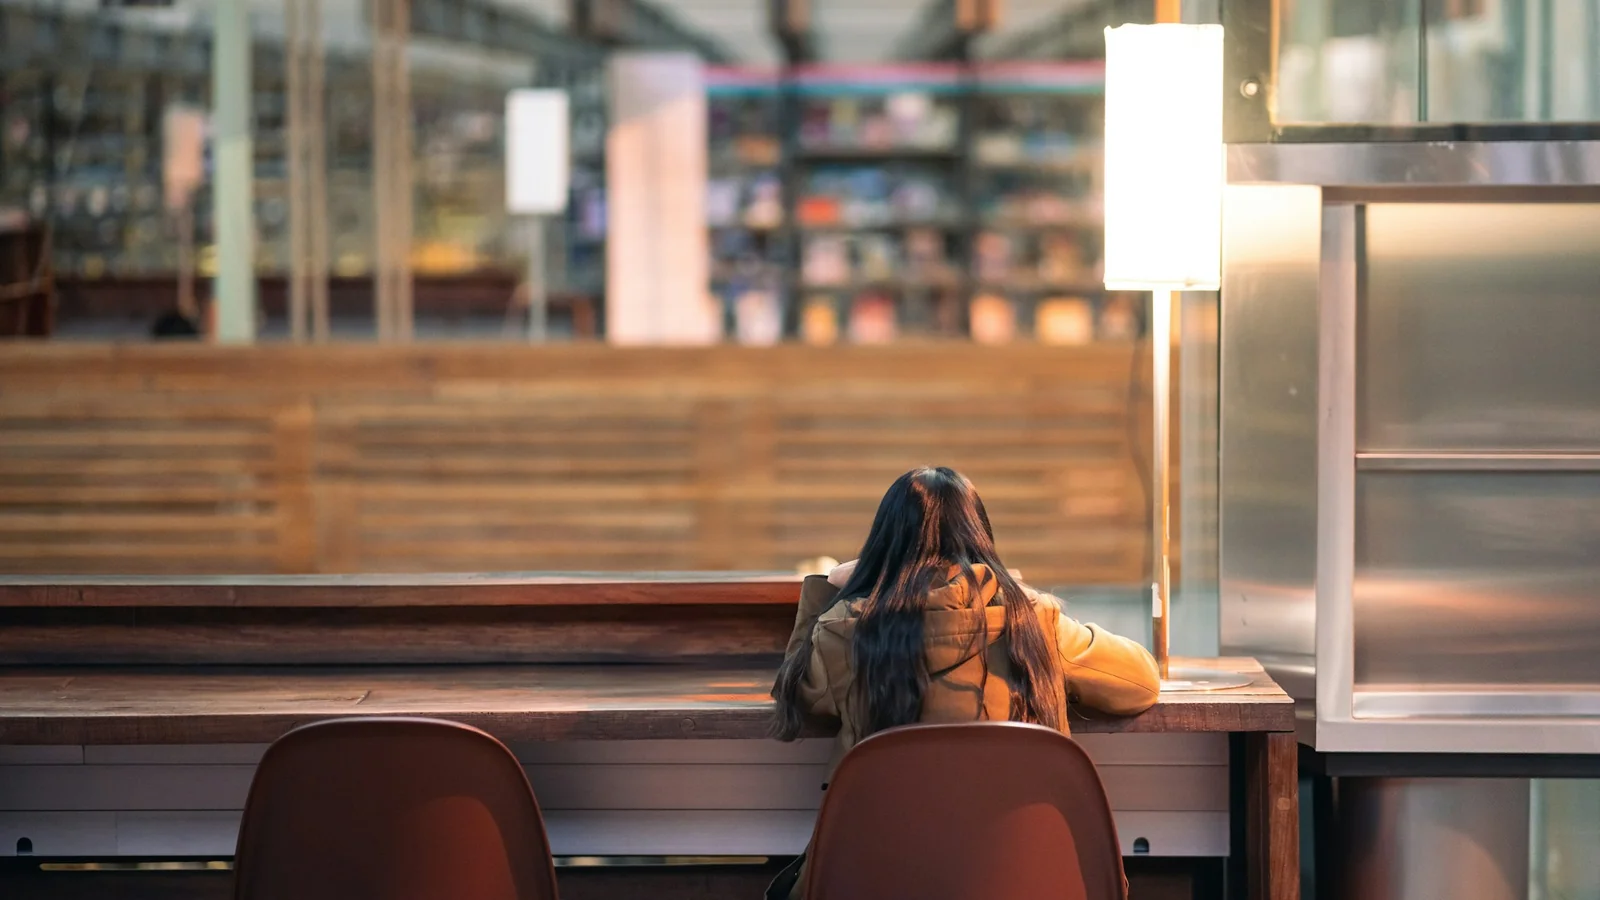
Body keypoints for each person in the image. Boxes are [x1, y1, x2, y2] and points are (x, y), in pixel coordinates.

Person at [766, 466, 1161, 900]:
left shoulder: (845, 633)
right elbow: (1140, 682)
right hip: (1031, 879)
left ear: (883, 547)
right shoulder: (1034, 624)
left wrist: (828, 588)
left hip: (880, 879)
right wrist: (1020, 592)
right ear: (980, 539)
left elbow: (796, 693)